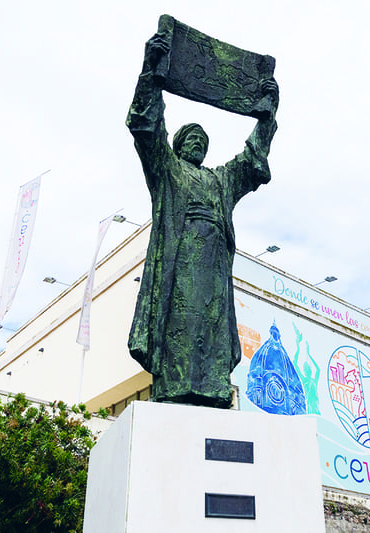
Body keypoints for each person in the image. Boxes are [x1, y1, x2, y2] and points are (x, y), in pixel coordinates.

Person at [126, 32, 278, 408]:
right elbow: (148, 131)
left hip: (213, 273)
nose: (197, 142)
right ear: (178, 145)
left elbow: (250, 162)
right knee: (180, 322)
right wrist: (151, 74)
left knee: (211, 324)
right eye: (190, 138)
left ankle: (212, 389)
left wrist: (267, 115)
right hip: (179, 266)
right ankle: (175, 387)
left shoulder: (220, 181)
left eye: (202, 140)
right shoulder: (168, 171)